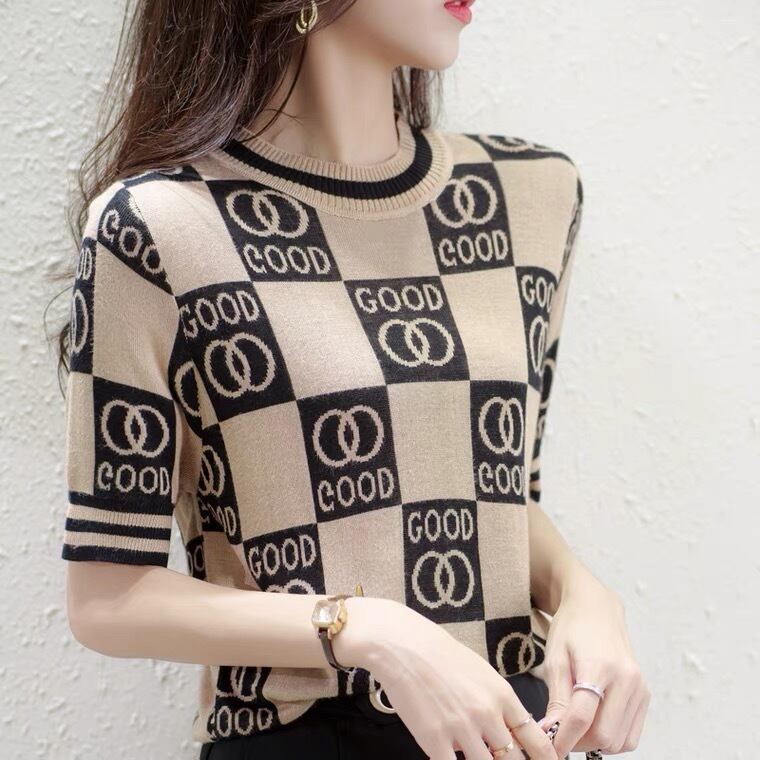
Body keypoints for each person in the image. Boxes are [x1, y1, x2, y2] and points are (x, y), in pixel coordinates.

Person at [55, 1, 650, 758]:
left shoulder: (530, 194)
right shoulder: (156, 226)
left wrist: (584, 596)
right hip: (306, 739)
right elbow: (108, 598)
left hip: (515, 731)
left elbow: (497, 495)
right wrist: (364, 629)